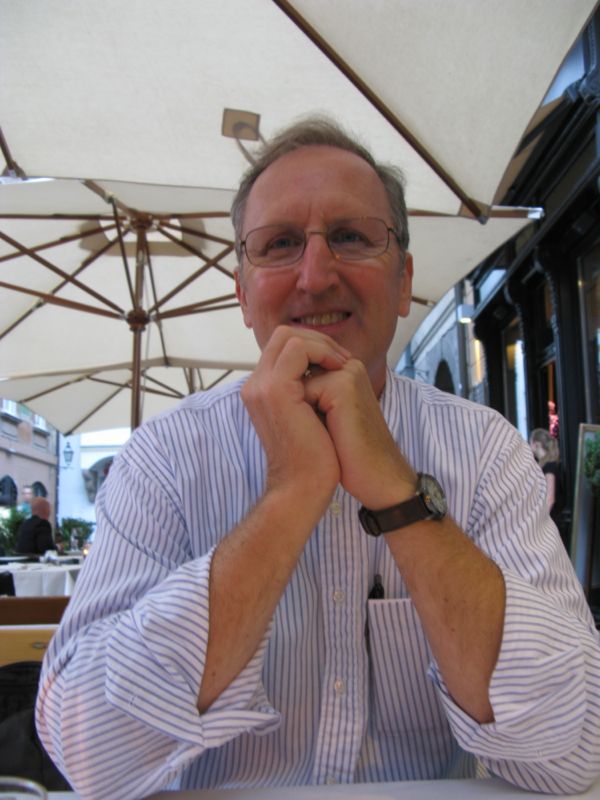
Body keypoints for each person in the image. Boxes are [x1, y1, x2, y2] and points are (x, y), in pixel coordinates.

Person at [37, 117, 600, 799]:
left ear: (403, 281)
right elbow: (87, 753)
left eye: (351, 237)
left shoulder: (483, 451)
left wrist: (400, 495)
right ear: (243, 293)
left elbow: (578, 749)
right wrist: (290, 495)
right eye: (279, 244)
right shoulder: (165, 458)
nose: (315, 275)